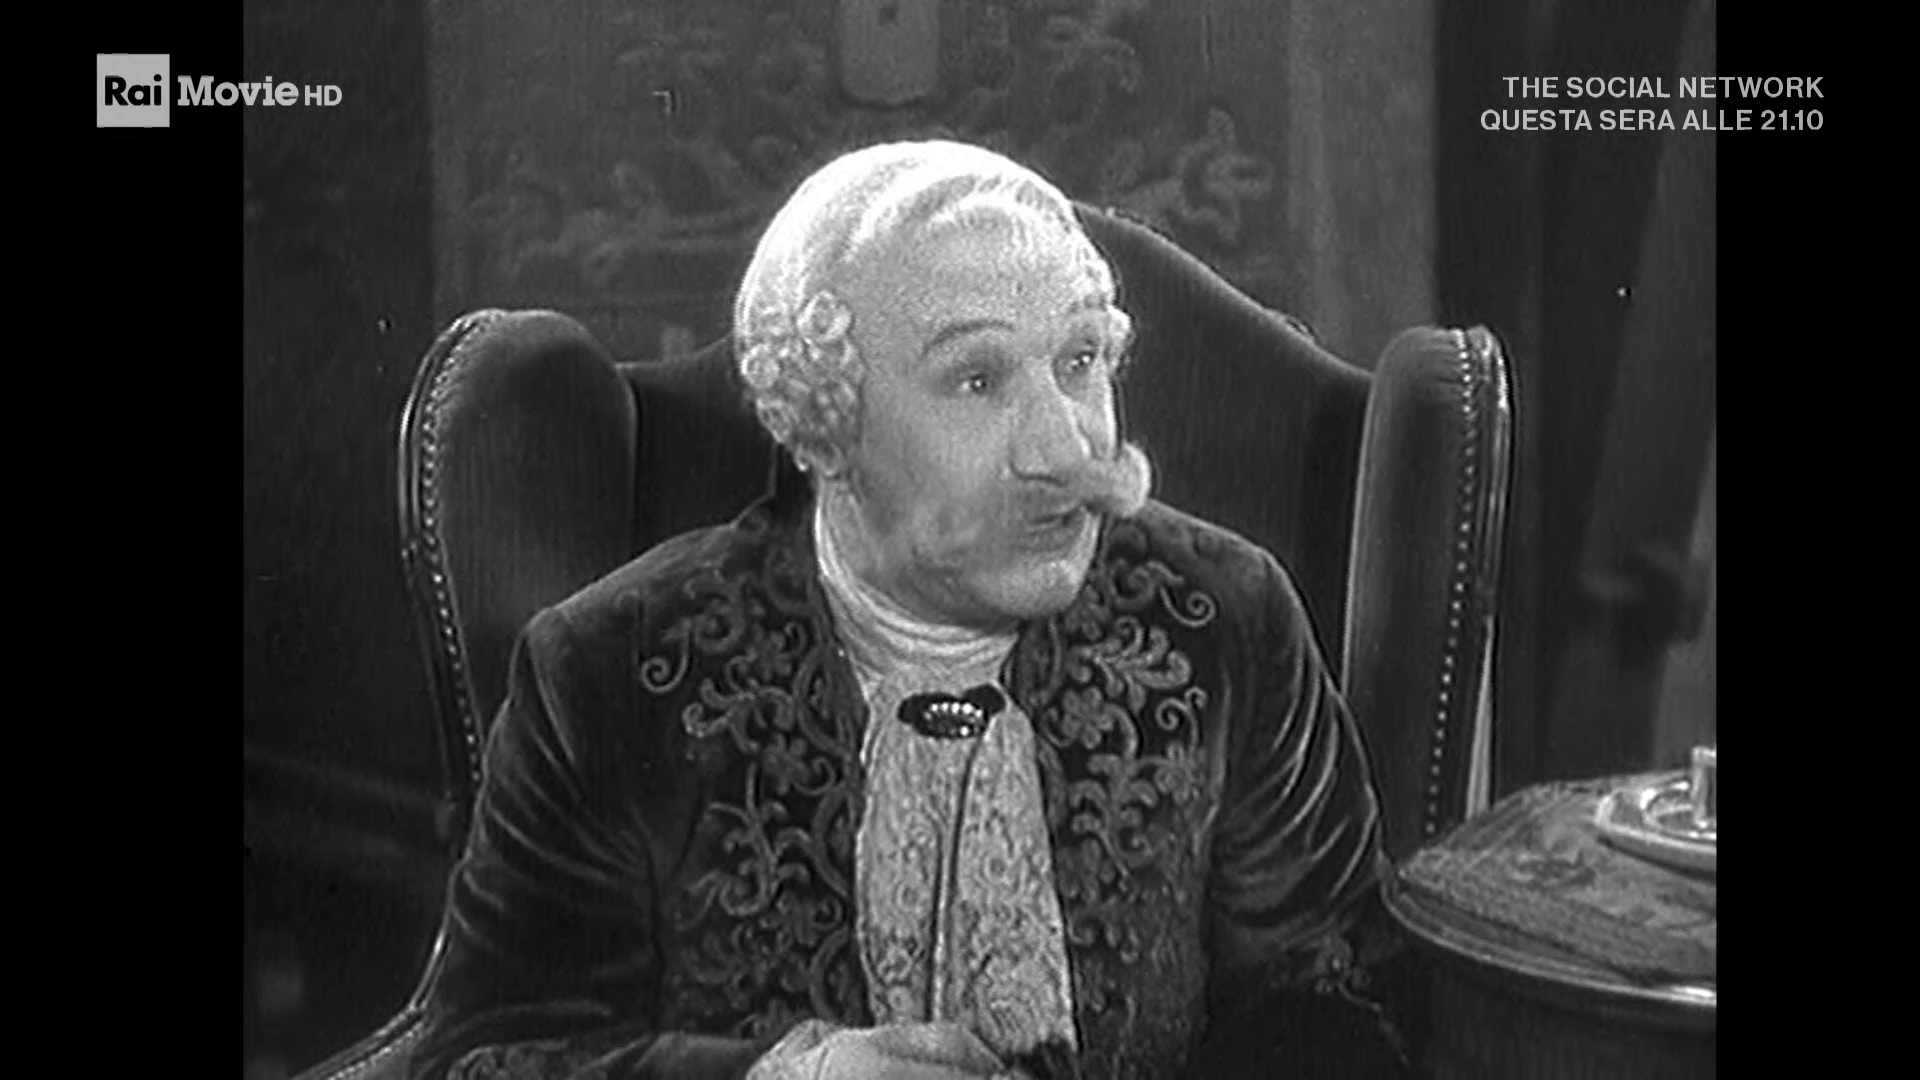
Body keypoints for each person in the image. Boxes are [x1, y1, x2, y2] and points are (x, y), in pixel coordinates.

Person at [410, 140, 1407, 1080]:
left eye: (1080, 361)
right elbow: (488, 1057)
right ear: (824, 424)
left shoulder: (1223, 621)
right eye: (978, 379)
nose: (1066, 450)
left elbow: (1338, 1004)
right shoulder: (610, 673)